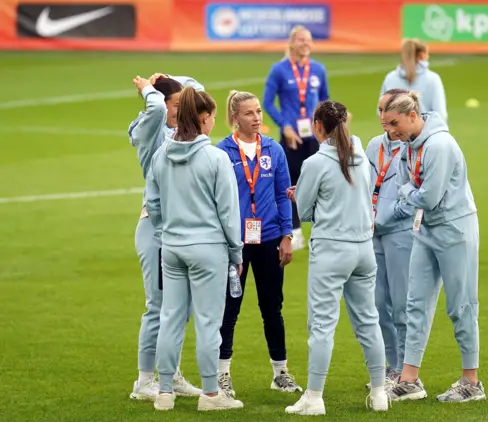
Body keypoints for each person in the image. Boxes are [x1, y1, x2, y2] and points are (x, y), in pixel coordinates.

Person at [284, 100, 389, 415]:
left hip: (332, 250)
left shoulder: (315, 163)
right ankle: (380, 393)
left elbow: (303, 211)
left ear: (318, 126)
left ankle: (314, 397)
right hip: (363, 249)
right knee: (369, 321)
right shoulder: (360, 154)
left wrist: (300, 194)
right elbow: (361, 194)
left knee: (322, 326)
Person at [380, 92, 485, 403]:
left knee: (461, 305)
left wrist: (409, 191)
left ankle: (471, 381)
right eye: (386, 125)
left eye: (394, 123)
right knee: (415, 303)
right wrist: (412, 191)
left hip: (454, 228)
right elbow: (410, 189)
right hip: (425, 228)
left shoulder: (438, 145)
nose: (390, 132)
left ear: (413, 116)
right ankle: (409, 379)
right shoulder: (407, 147)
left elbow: (429, 197)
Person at [144, 85, 245, 411]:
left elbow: (153, 204)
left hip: (172, 248)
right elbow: (229, 212)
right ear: (203, 118)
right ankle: (211, 395)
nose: (214, 122)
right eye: (213, 117)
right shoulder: (216, 158)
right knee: (207, 322)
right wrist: (236, 253)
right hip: (207, 249)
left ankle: (164, 392)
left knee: (170, 317)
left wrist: (166, 232)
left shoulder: (162, 155)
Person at [215, 90, 302, 396]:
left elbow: (283, 194)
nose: (256, 118)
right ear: (235, 118)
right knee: (229, 308)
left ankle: (280, 372)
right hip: (235, 244)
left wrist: (287, 236)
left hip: (268, 240)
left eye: (259, 112)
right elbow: (218, 201)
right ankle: (222, 374)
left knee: (272, 308)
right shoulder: (222, 152)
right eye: (249, 113)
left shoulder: (273, 149)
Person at [128, 73, 204, 400]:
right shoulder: (152, 129)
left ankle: (169, 373)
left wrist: (172, 79)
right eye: (176, 105)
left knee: (179, 309)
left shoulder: (180, 132)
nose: (178, 110)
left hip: (180, 228)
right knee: (158, 306)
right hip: (156, 228)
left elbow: (199, 93)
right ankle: (144, 381)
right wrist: (149, 88)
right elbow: (157, 108)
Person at [364, 88, 415, 389]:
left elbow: (414, 194)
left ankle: (405, 370)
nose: (384, 119)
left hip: (400, 232)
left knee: (401, 304)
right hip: (373, 235)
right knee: (378, 303)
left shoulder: (411, 147)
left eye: (389, 113)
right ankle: (390, 367)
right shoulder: (373, 146)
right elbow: (368, 185)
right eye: (381, 111)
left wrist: (387, 216)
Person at [263, 25, 330, 250]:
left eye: (309, 40)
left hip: (313, 136)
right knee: (289, 183)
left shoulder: (318, 70)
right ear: (292, 43)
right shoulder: (279, 70)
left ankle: (321, 227)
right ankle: (294, 230)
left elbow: (324, 100)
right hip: (291, 137)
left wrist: (327, 124)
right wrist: (285, 127)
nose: (306, 44)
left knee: (320, 181)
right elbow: (268, 103)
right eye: (301, 40)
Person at [379, 39, 447, 121]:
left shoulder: (390, 78)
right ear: (422, 55)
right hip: (425, 131)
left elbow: (381, 110)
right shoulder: (432, 79)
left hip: (395, 132)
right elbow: (440, 113)